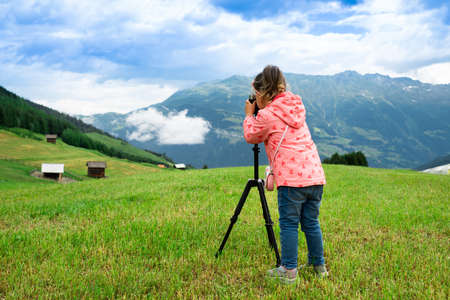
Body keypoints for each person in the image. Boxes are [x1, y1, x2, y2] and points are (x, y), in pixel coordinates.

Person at [243, 65, 328, 284]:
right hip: (315, 176)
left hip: (292, 180)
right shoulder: (295, 108)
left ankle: (289, 272)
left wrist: (248, 116)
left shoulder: (268, 115)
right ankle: (318, 266)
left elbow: (251, 135)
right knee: (311, 222)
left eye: (257, 94)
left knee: (289, 224)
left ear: (262, 94)